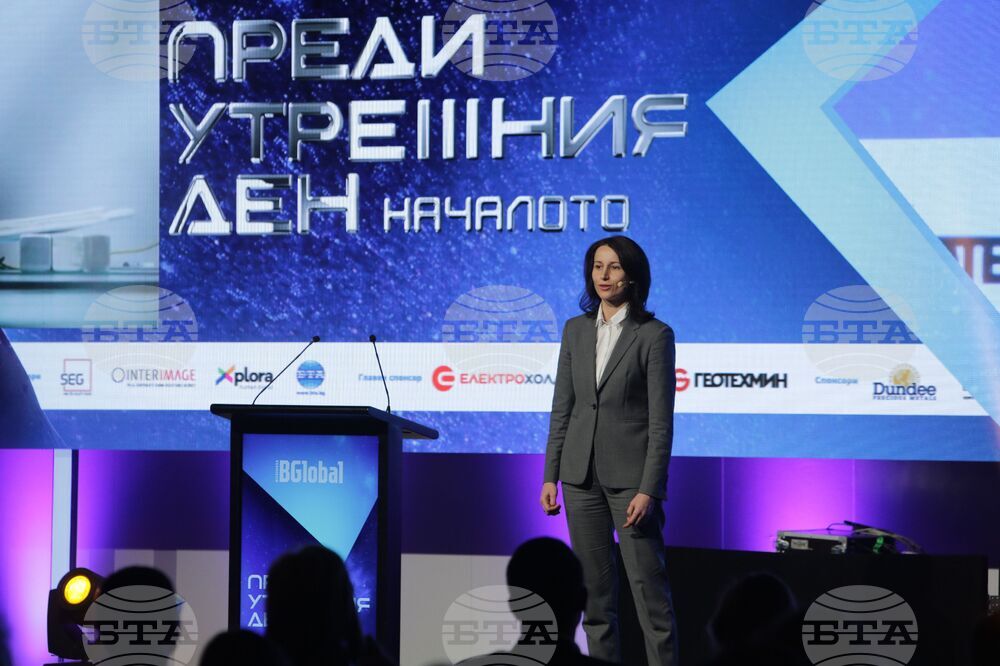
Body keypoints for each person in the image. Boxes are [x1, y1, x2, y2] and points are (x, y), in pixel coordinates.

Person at [540, 236, 677, 666]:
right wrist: (550, 475)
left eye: (614, 267)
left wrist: (649, 489)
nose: (604, 275)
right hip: (579, 479)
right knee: (595, 602)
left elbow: (661, 422)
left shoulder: (654, 335)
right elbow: (563, 408)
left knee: (650, 598)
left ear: (632, 275)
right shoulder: (575, 329)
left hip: (632, 484)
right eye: (598, 266)